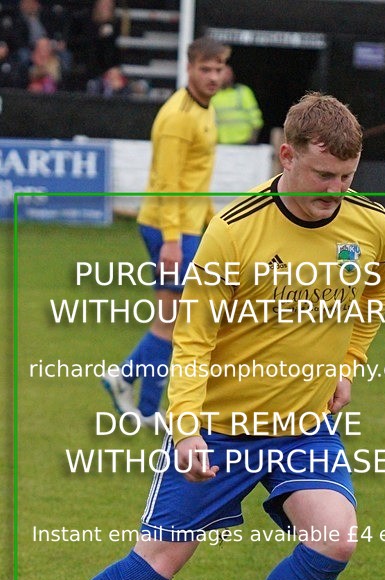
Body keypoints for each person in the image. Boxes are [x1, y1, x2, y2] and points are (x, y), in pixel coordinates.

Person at [0, 92, 385, 580]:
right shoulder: (235, 230)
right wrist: (184, 428)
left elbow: (377, 285)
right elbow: (193, 338)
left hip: (302, 428)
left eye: (348, 178)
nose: (336, 190)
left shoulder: (369, 223)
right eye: (324, 176)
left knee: (336, 538)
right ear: (286, 156)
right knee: (156, 565)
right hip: (217, 427)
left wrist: (347, 361)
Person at [101, 36, 230, 427]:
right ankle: (133, 390)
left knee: (175, 320)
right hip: (167, 229)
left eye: (218, 68)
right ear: (188, 69)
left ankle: (140, 399)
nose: (212, 76)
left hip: (184, 227)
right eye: (204, 69)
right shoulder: (179, 117)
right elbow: (168, 181)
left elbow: (194, 180)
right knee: (171, 321)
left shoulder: (204, 109)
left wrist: (212, 222)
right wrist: (172, 240)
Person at [211, 64, 263, 144]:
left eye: (227, 74)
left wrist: (252, 140)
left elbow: (256, 119)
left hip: (244, 142)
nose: (224, 77)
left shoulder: (243, 92)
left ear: (231, 75)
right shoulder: (213, 95)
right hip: (221, 143)